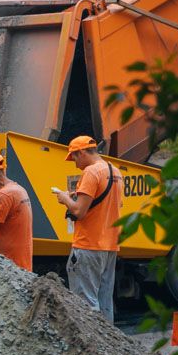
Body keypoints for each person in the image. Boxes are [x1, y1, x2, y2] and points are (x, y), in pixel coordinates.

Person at [54, 136, 123, 322]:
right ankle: (108, 347)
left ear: (82, 152)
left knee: (85, 305)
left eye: (75, 158)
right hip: (110, 246)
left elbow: (79, 211)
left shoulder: (91, 173)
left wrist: (64, 198)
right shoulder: (115, 172)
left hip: (89, 245)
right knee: (104, 303)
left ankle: (91, 349)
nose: (75, 164)